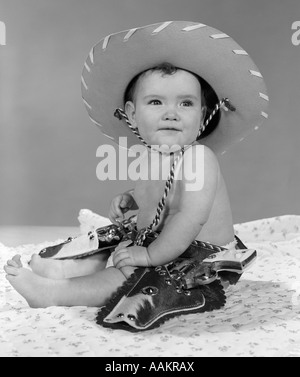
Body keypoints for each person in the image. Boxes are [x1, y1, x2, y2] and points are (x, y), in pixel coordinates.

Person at [4, 21, 269, 314]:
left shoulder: (199, 157)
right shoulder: (152, 155)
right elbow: (163, 197)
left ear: (203, 115)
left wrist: (149, 255)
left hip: (198, 258)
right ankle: (66, 272)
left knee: (131, 273)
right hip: (161, 241)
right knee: (114, 246)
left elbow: (189, 217)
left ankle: (55, 292)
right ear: (132, 114)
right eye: (156, 102)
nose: (171, 113)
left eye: (186, 104)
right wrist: (133, 197)